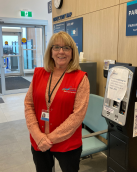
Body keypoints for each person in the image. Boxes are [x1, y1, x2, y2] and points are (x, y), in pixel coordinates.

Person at [24, 31, 90, 172]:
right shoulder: (38, 74)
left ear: (72, 52)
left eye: (66, 48)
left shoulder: (80, 78)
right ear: (51, 51)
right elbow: (29, 104)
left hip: (68, 144)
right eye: (56, 47)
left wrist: (50, 139)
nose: (61, 52)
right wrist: (38, 136)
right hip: (39, 141)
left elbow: (78, 115)